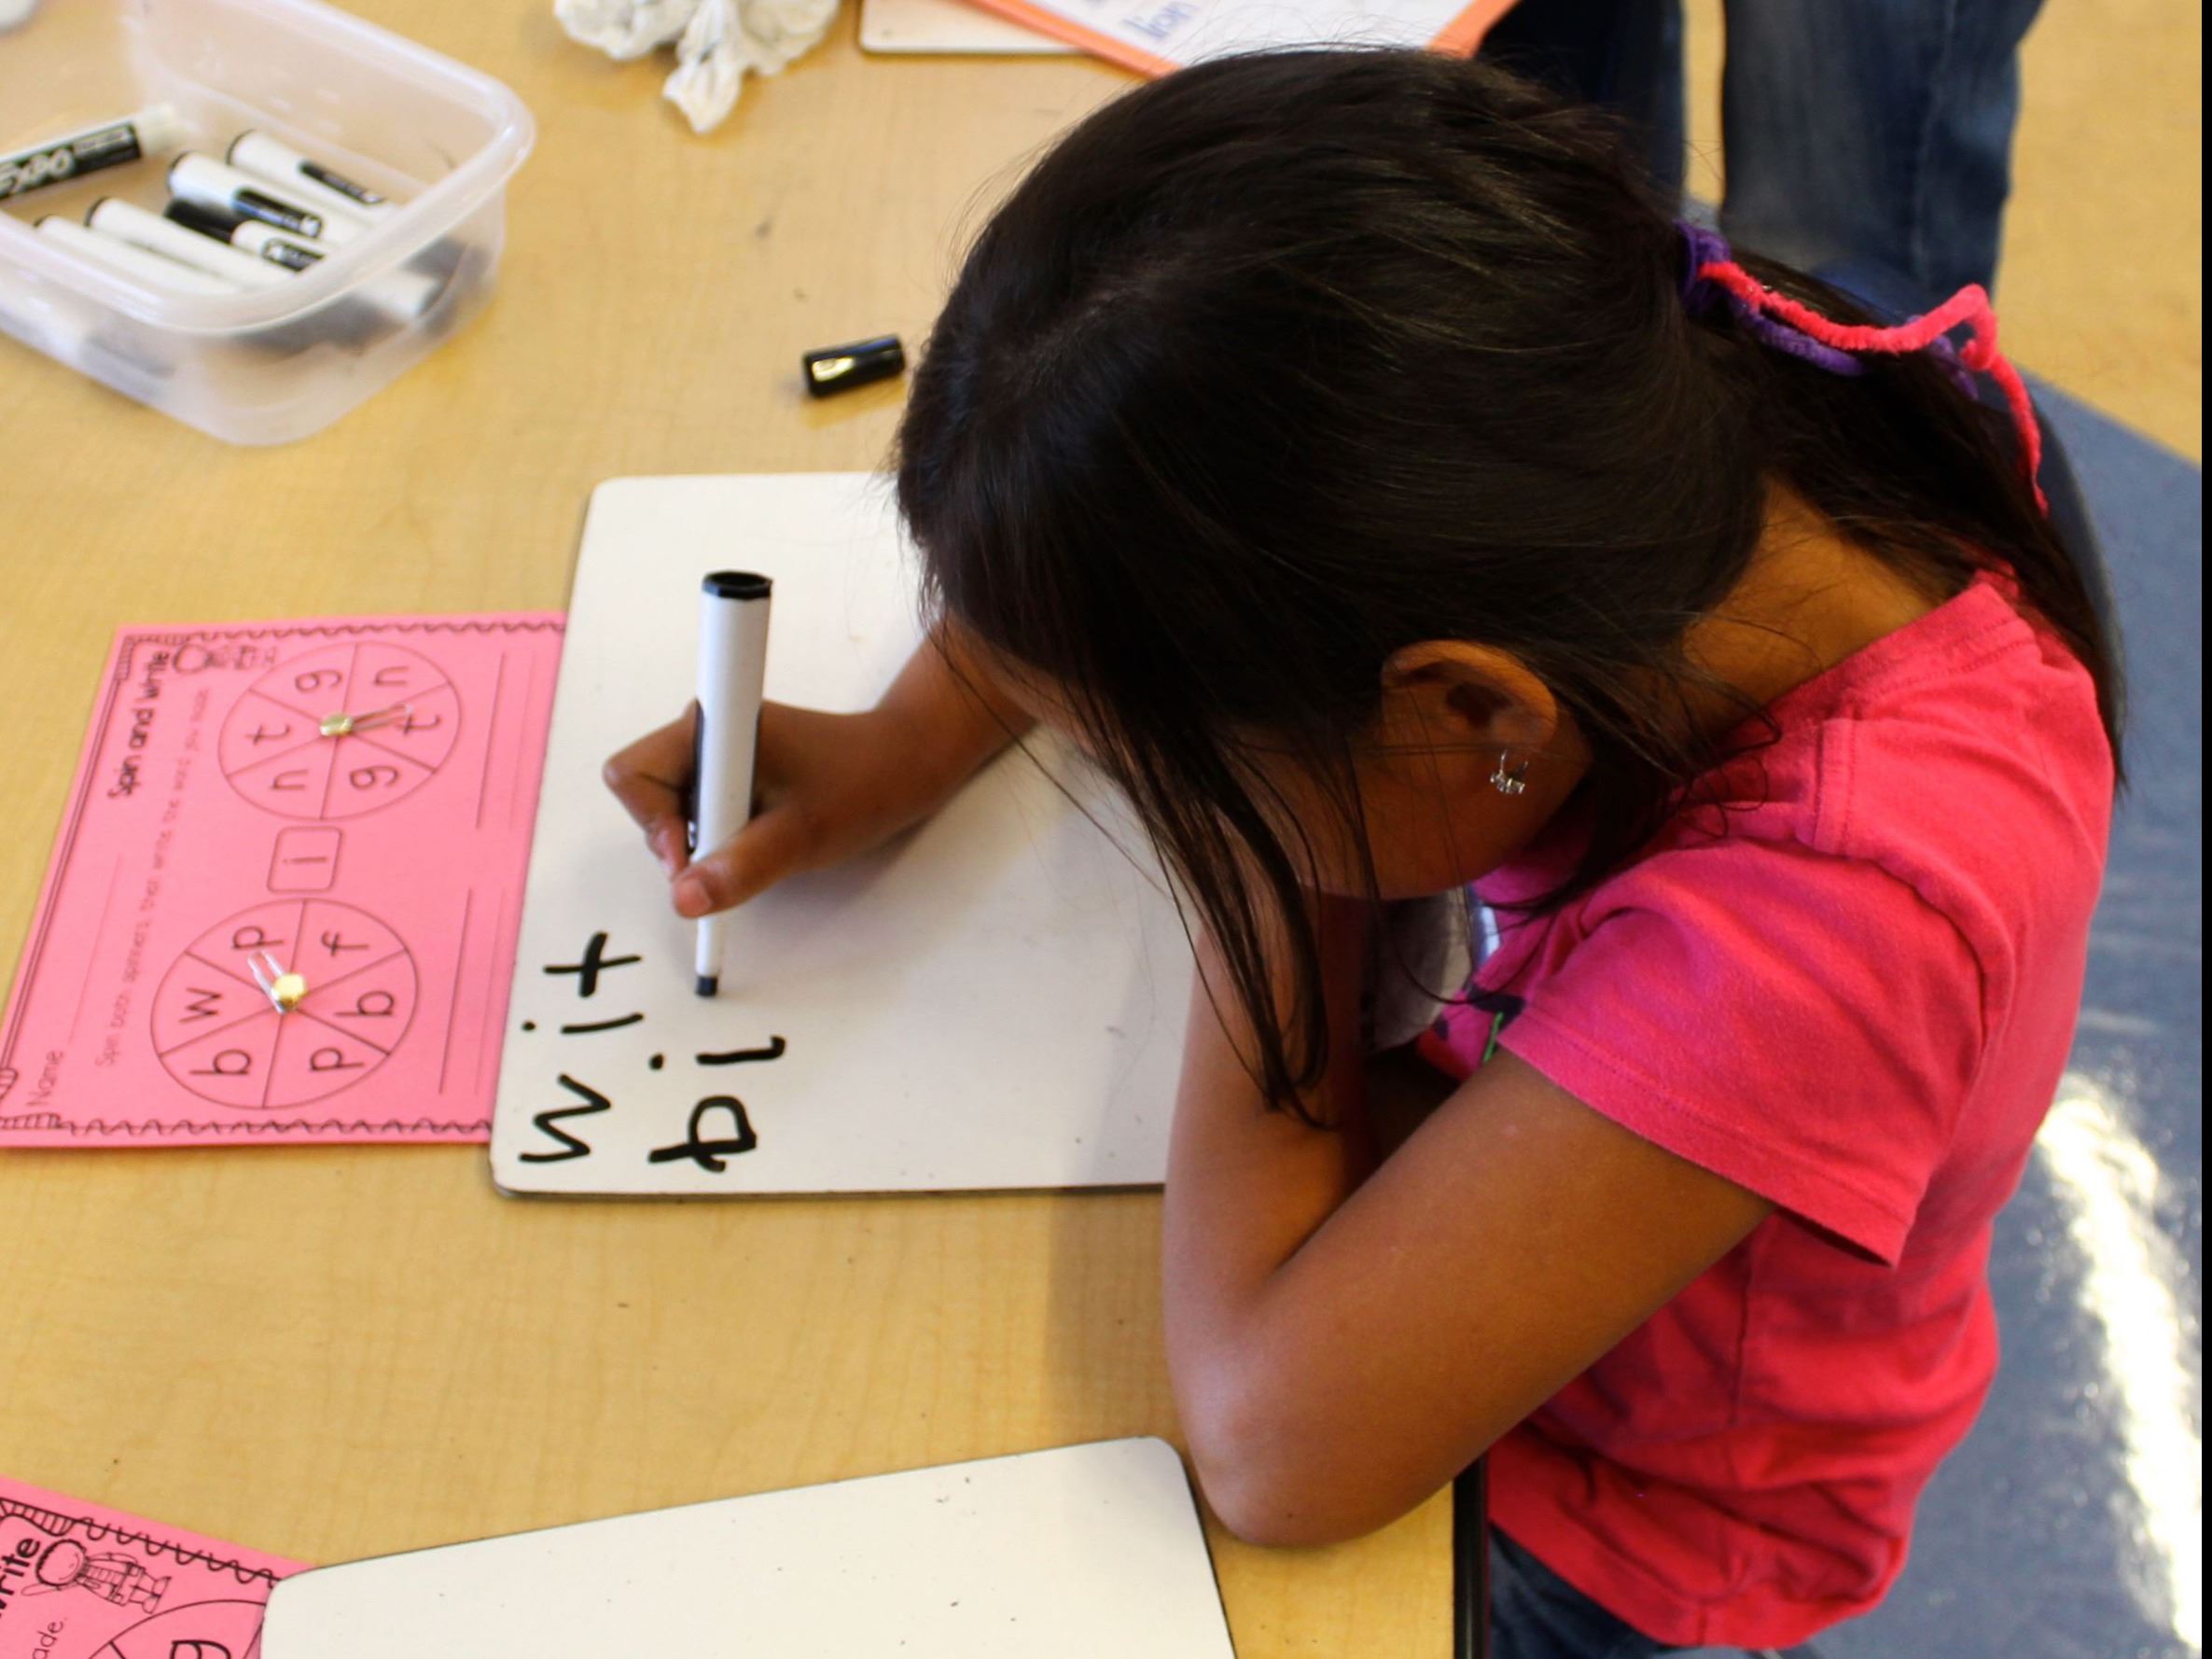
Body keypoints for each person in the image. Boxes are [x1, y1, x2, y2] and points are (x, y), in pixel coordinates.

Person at [605, 51, 2121, 1656]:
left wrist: (1255, 860)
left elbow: (1278, 1442)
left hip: (1615, 1511)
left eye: (1169, 768)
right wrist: (902, 745)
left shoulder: (1844, 910)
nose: (1146, 800)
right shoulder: (1624, 429)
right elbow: (1180, 507)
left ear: (1467, 701)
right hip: (1511, 1154)